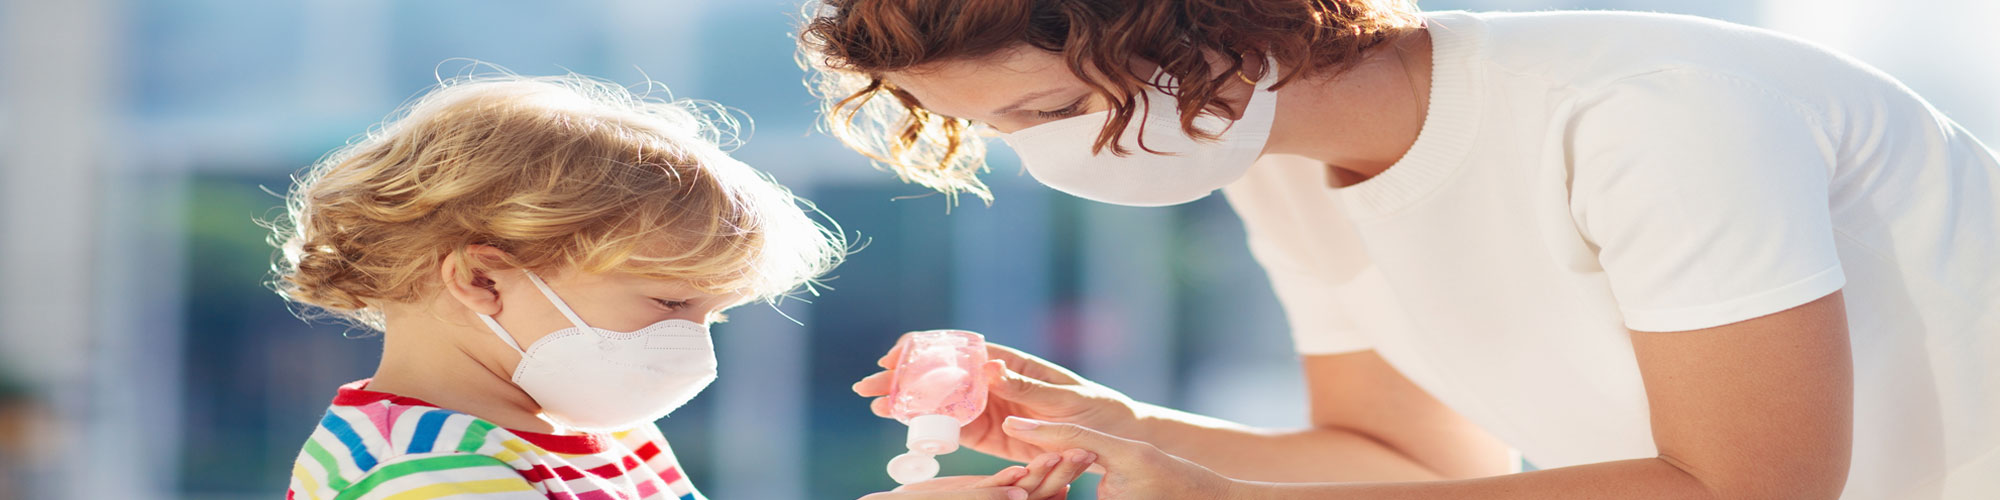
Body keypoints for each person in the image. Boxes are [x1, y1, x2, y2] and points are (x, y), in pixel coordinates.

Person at [801, 0, 2000, 498]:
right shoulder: (1270, 161)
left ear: (1195, 31)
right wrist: (1126, 433)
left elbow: (1748, 485)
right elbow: (1405, 456)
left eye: (1045, 114)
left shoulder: (1647, 109)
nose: (1037, 161)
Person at [272, 74, 1089, 500]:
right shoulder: (419, 470)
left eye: (711, 314)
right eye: (668, 303)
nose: (692, 342)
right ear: (484, 277)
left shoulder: (602, 434)